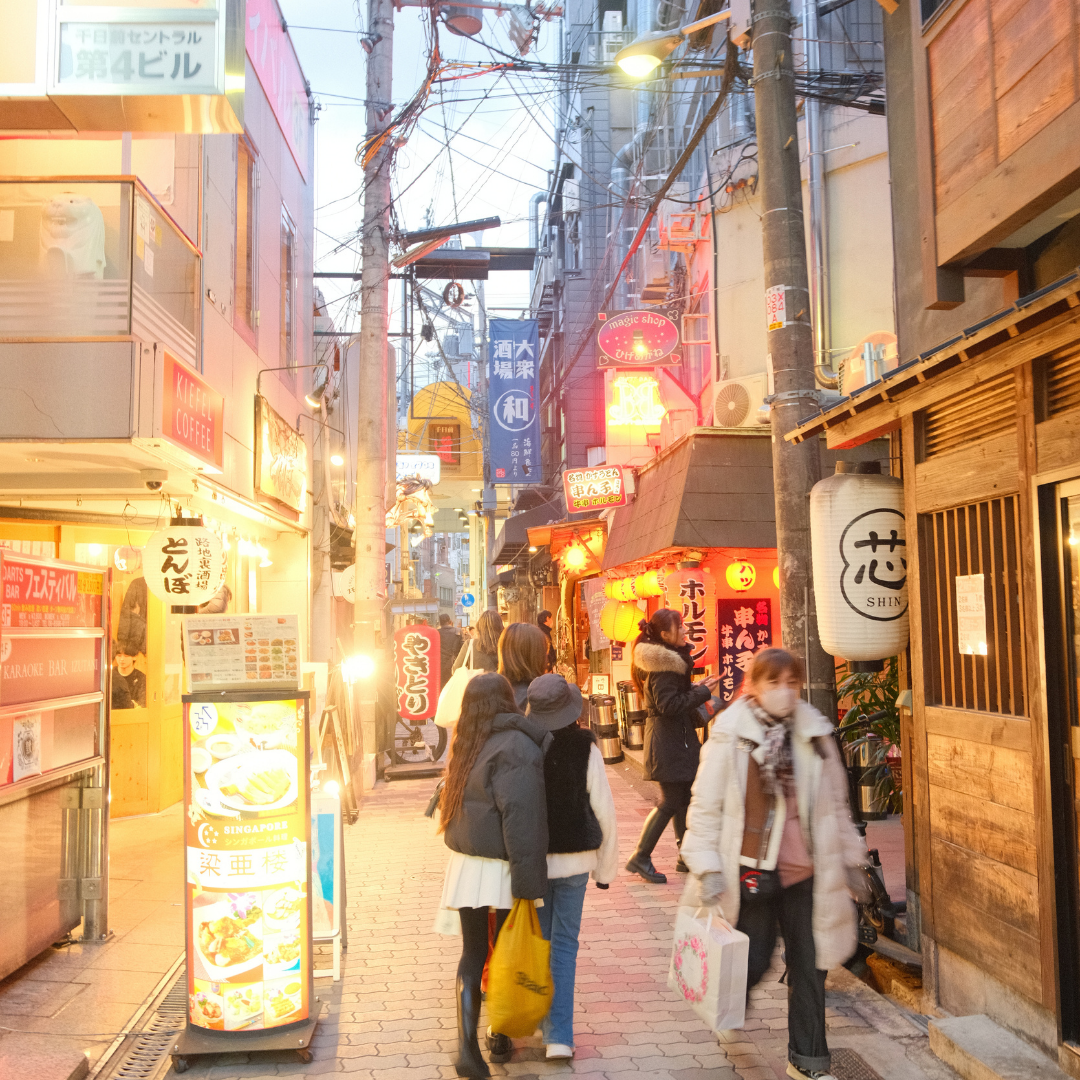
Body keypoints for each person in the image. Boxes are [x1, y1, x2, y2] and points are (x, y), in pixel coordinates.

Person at [680, 648, 871, 1080]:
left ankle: (808, 1061)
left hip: (807, 872)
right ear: (754, 686)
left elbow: (836, 807)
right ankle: (727, 1006)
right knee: (756, 958)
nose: (784, 692)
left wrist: (851, 859)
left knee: (810, 965)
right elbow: (706, 806)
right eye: (773, 683)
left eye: (792, 683)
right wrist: (706, 866)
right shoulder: (730, 735)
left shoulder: (815, 733)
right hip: (753, 869)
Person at [438, 673, 550, 1079]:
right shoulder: (517, 743)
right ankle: (498, 1035)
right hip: (502, 862)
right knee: (503, 953)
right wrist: (529, 880)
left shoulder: (465, 739)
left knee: (472, 954)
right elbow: (523, 817)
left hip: (468, 862)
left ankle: (467, 1048)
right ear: (508, 701)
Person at [525, 674, 618, 1061]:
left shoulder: (523, 744)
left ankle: (537, 1020)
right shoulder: (585, 746)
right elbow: (605, 809)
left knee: (538, 944)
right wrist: (606, 870)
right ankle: (559, 1036)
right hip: (577, 862)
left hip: (535, 863)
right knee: (565, 946)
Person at [625, 609, 719, 883]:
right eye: (681, 628)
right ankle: (640, 856)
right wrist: (702, 692)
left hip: (675, 740)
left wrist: (696, 688)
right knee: (671, 801)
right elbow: (668, 705)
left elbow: (673, 699)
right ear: (665, 635)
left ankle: (685, 856)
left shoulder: (669, 663)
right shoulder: (664, 666)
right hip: (668, 743)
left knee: (684, 798)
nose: (686, 632)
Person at [498, 622, 550, 709]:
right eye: (544, 652)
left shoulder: (493, 695)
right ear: (535, 657)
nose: (547, 660)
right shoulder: (538, 701)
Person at [452, 609, 502, 675]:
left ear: (479, 627)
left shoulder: (470, 645)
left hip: (475, 684)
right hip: (500, 684)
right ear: (500, 627)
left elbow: (455, 669)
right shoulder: (505, 646)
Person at [111, 641, 146, 708]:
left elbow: (141, 704)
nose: (122, 659)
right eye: (118, 655)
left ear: (135, 657)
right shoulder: (110, 675)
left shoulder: (141, 678)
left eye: (126, 656)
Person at [438, 613, 463, 688]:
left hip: (440, 665)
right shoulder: (458, 632)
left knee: (441, 686)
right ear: (450, 621)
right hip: (454, 664)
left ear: (440, 623)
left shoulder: (436, 632)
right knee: (453, 686)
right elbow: (462, 648)